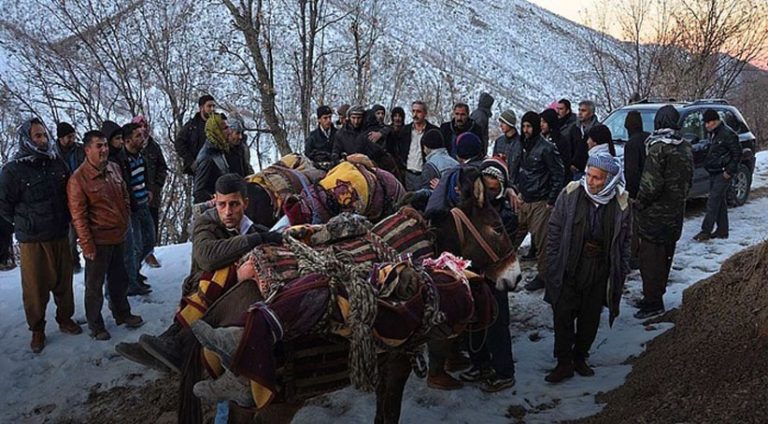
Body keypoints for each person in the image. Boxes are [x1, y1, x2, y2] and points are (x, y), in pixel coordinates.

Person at [117, 174, 282, 373]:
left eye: (234, 204)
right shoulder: (206, 223)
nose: (227, 212)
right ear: (215, 201)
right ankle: (175, 342)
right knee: (218, 276)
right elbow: (207, 257)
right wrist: (254, 241)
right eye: (222, 205)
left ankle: (173, 343)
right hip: (202, 291)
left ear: (245, 203)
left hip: (237, 294)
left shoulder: (253, 229)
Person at [544, 153, 630, 383]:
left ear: (610, 180)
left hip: (599, 269)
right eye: (589, 175)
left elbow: (625, 241)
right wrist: (552, 264)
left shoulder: (620, 204)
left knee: (590, 317)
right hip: (569, 265)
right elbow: (554, 229)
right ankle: (564, 363)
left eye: (597, 178)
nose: (590, 182)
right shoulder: (571, 194)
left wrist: (622, 269)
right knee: (562, 315)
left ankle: (580, 357)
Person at [0, 118, 81, 353]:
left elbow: (70, 193)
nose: (43, 140)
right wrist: (24, 223)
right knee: (35, 288)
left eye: (44, 135)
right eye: (37, 136)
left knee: (64, 281)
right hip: (33, 240)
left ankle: (65, 319)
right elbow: (3, 205)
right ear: (27, 138)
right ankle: (37, 329)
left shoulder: (57, 163)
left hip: (59, 233)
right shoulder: (13, 170)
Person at [67, 130, 144, 341]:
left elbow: (125, 195)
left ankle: (122, 313)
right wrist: (87, 245)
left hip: (119, 236)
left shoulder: (114, 168)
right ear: (87, 150)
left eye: (105, 145)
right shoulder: (78, 180)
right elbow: (78, 218)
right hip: (98, 241)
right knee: (94, 287)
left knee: (120, 280)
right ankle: (95, 324)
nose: (104, 150)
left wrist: (125, 216)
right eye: (99, 146)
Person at [459, 156, 517, 392]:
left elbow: (498, 246)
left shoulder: (507, 214)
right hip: (473, 272)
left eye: (495, 189)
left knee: (497, 322)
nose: (490, 193)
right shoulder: (472, 204)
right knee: (474, 320)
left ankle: (504, 371)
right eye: (487, 187)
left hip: (497, 274)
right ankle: (480, 363)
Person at [633, 105, 693, 319]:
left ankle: (653, 302)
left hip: (654, 217)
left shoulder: (658, 147)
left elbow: (651, 185)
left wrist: (639, 203)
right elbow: (689, 180)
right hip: (675, 214)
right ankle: (655, 295)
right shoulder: (685, 146)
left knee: (650, 260)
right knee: (665, 257)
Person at [510, 112, 564, 291]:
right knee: (513, 236)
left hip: (541, 201)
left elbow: (558, 174)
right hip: (524, 199)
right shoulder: (522, 145)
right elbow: (519, 170)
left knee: (542, 243)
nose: (526, 130)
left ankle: (544, 276)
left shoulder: (546, 148)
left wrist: (551, 200)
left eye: (529, 126)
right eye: (524, 126)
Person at [693, 109, 741, 241]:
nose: (706, 126)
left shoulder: (727, 134)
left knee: (713, 201)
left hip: (723, 172)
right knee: (719, 202)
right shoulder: (714, 134)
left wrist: (729, 171)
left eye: (708, 123)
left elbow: (737, 154)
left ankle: (705, 231)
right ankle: (722, 230)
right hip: (714, 171)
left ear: (714, 121)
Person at [123, 123, 157, 292]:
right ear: (128, 140)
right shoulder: (123, 160)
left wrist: (150, 189)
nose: (142, 138)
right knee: (135, 244)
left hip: (144, 203)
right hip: (132, 209)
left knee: (150, 240)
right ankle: (131, 281)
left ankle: (135, 272)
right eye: (137, 136)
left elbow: (147, 174)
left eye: (142, 135)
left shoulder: (140, 156)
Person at [131, 115, 168, 268]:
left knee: (152, 227)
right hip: (136, 197)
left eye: (145, 125)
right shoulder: (129, 149)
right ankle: (137, 261)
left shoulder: (153, 146)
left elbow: (162, 167)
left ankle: (149, 253)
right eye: (140, 126)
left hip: (152, 194)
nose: (144, 129)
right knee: (137, 232)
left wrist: (157, 186)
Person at [55, 122, 86, 273]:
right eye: (69, 137)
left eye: (73, 136)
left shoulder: (80, 149)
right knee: (70, 237)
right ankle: (74, 264)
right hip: (63, 198)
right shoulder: (53, 154)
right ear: (60, 138)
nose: (72, 139)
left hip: (82, 193)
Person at [623, 111, 649, 269]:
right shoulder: (648, 139)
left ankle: (634, 257)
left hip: (637, 189)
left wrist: (631, 194)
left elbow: (631, 171)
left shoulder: (631, 144)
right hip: (649, 188)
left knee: (634, 225)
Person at [395, 101, 438, 191]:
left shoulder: (433, 131)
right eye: (413, 111)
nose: (415, 114)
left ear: (425, 113)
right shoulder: (404, 131)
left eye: (418, 111)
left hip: (426, 175)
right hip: (408, 174)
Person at [194, 113, 233, 203]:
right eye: (225, 128)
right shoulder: (207, 157)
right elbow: (198, 192)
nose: (230, 131)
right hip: (212, 212)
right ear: (216, 130)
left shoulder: (219, 150)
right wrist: (216, 199)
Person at [176, 95, 216, 175]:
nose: (212, 109)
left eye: (213, 106)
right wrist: (191, 162)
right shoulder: (191, 126)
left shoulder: (220, 123)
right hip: (199, 169)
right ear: (201, 108)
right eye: (209, 106)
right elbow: (179, 144)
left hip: (217, 168)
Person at [566, 100, 598, 180]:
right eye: (579, 110)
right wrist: (570, 163)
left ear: (591, 113)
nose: (580, 113)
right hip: (574, 170)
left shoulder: (597, 129)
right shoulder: (574, 128)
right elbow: (569, 147)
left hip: (591, 170)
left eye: (583, 110)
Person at [492, 110, 522, 186]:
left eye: (503, 122)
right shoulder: (499, 141)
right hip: (499, 183)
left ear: (509, 123)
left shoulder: (521, 143)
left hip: (515, 185)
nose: (500, 125)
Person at [541, 108, 571, 181]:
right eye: (541, 121)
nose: (541, 125)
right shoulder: (540, 139)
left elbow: (564, 163)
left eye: (544, 122)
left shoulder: (560, 141)